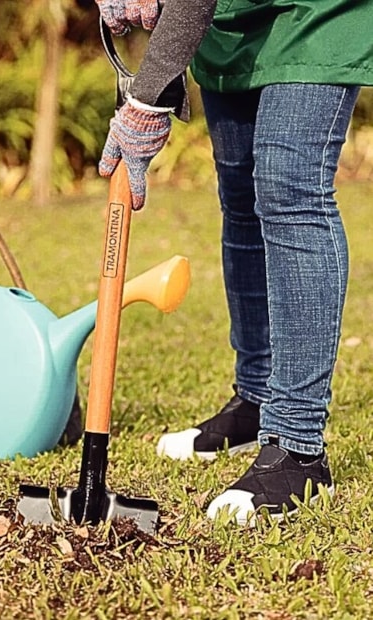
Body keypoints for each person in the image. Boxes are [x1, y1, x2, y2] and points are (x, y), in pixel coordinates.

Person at [95, 0, 373, 525]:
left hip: (314, 14)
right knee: (241, 197)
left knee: (289, 190)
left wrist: (148, 99)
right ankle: (256, 397)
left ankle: (297, 448)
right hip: (231, 20)